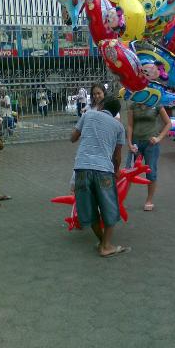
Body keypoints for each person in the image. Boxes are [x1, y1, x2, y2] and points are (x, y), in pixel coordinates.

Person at [71, 96, 129, 257]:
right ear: (116, 112)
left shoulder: (87, 115)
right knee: (110, 208)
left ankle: (103, 242)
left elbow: (72, 138)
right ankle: (106, 245)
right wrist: (116, 170)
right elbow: (117, 156)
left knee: (89, 210)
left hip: (81, 168)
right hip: (103, 170)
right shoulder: (118, 127)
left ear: (101, 105)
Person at [127, 102, 172, 211]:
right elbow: (130, 125)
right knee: (128, 171)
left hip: (151, 144)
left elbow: (168, 123)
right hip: (136, 144)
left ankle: (149, 200)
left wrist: (159, 138)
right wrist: (129, 143)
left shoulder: (156, 103)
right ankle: (120, 199)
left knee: (151, 171)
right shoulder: (133, 105)